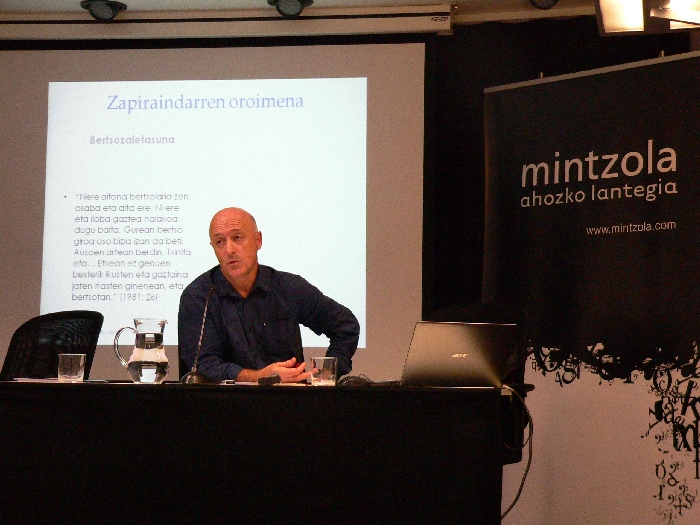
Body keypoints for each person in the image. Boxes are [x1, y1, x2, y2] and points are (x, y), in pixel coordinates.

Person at [178, 207, 360, 383]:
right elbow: (202, 364)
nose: (229, 250)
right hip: (226, 400)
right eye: (220, 242)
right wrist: (259, 377)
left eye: (237, 238)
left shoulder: (288, 287)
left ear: (258, 240)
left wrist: (327, 374)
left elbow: (345, 325)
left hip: (287, 399)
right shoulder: (199, 296)